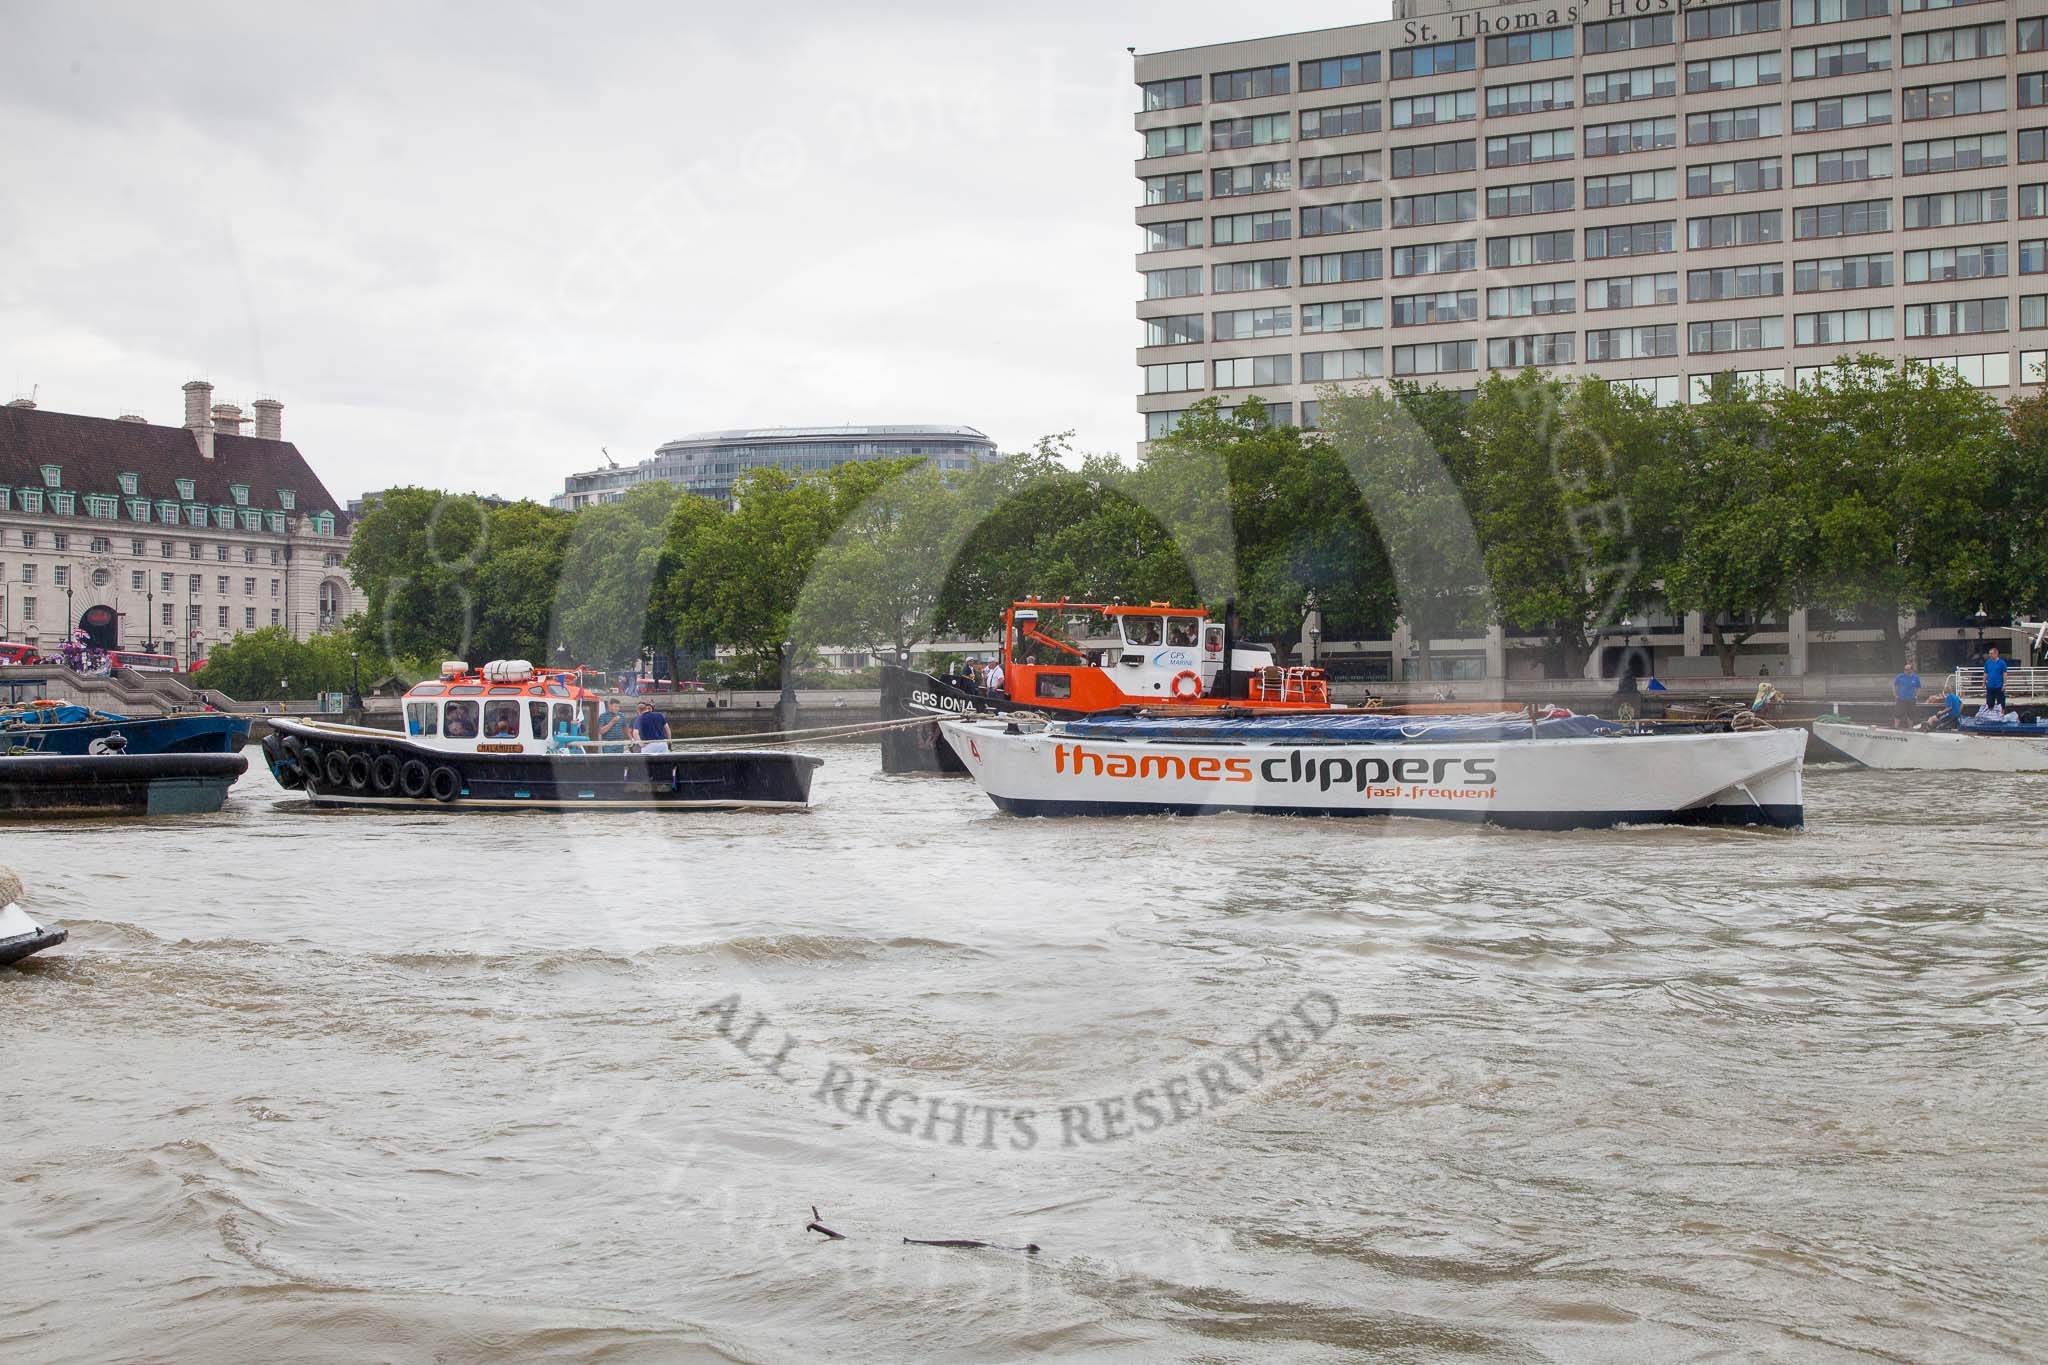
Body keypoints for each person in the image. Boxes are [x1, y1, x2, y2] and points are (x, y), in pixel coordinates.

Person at [1891, 659, 1922, 729]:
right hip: (1901, 698)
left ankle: (1910, 728)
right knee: (1898, 713)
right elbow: (1894, 685)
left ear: (1911, 670)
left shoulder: (1915, 677)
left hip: (1911, 699)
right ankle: (1896, 727)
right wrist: (1895, 695)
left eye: (1907, 669)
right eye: (1905, 669)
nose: (1906, 671)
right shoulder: (1900, 676)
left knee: (1911, 714)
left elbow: (1918, 687)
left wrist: (1916, 695)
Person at [1983, 644, 2009, 711]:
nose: (1990, 655)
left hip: (1999, 685)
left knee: (2001, 703)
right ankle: (1990, 715)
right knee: (1989, 702)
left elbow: (2004, 674)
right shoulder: (1987, 662)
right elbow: (1986, 673)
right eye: (1989, 653)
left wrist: (2005, 684)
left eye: (1991, 653)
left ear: (1996, 653)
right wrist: (1984, 682)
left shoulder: (2002, 663)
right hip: (1990, 685)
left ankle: (2001, 714)